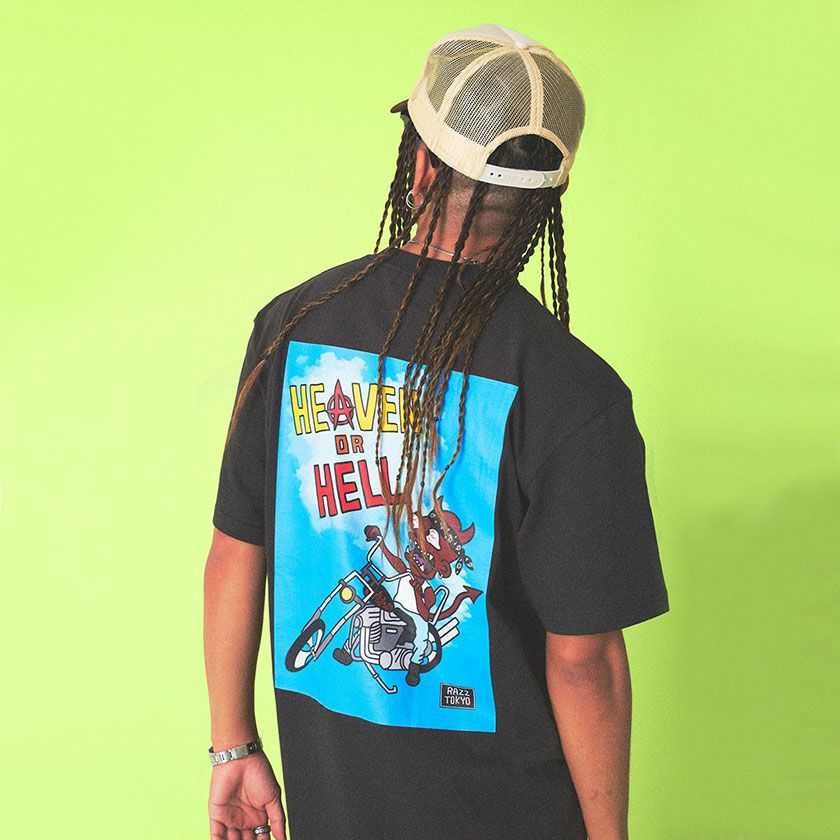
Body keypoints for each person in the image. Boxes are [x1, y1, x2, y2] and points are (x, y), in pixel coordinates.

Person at [204, 23, 670, 840]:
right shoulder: (575, 392)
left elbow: (236, 550)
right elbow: (583, 661)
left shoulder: (294, 325)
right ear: (545, 200)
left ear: (419, 166)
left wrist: (233, 747)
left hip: (334, 807)